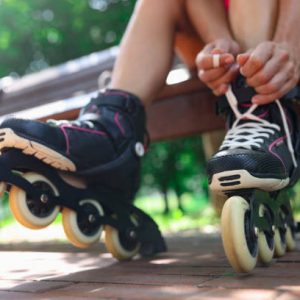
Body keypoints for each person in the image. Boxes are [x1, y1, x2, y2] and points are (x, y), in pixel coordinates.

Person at [0, 0, 299, 211]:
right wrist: (219, 43)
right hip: (220, 55)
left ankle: (263, 115)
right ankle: (112, 131)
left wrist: (289, 46)